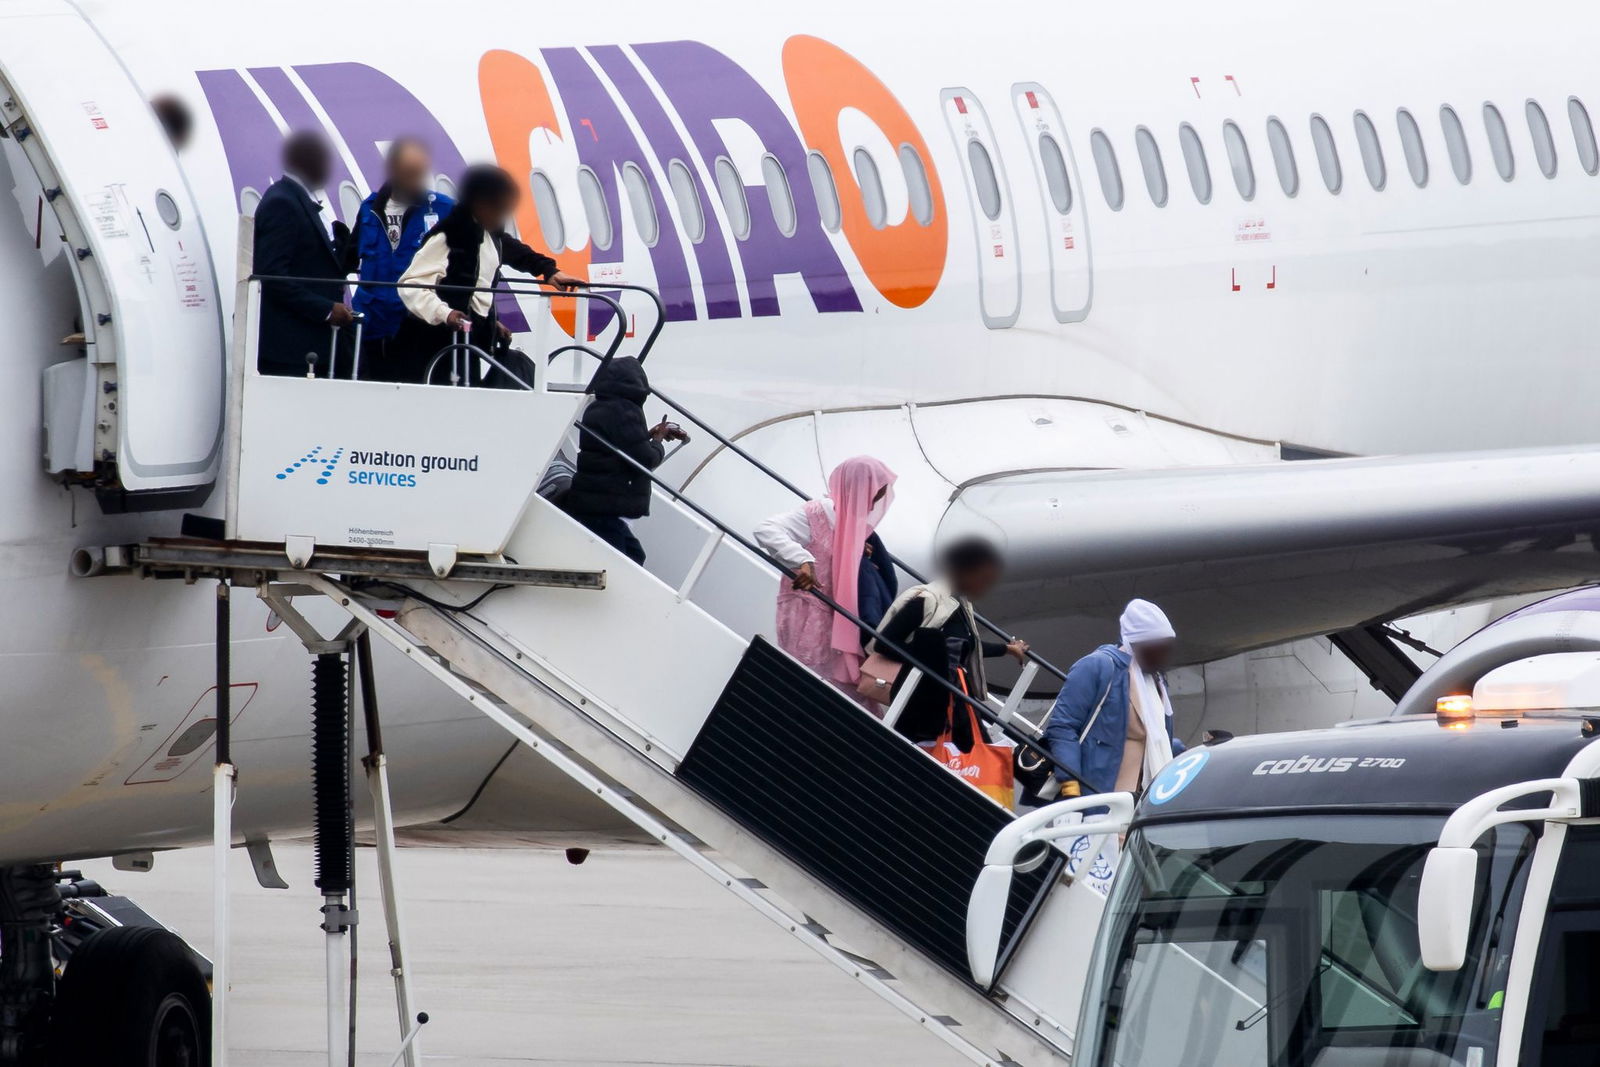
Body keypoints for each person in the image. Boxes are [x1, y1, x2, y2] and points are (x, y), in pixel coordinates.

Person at [397, 164, 582, 383]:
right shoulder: (448, 237)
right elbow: (410, 284)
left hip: (466, 340)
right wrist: (444, 313)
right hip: (435, 342)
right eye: (499, 207)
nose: (504, 213)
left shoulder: (489, 233)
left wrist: (549, 272)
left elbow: (513, 252)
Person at [754, 457, 898, 696]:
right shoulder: (816, 513)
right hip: (806, 616)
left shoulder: (850, 525)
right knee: (807, 685)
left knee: (835, 690)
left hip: (835, 620)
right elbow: (765, 530)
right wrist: (803, 560)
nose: (873, 505)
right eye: (872, 495)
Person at [870, 537, 1028, 748]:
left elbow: (963, 647)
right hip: (921, 698)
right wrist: (928, 660)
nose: (985, 585)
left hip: (947, 697)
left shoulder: (960, 605)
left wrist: (1007, 649)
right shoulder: (929, 600)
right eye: (982, 578)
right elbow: (884, 642)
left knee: (971, 749)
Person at [1041, 598, 1187, 799]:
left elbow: (1155, 739)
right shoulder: (1097, 666)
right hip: (1097, 796)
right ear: (1137, 643)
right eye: (1159, 648)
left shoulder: (1155, 680)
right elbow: (1063, 727)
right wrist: (1070, 782)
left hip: (1142, 800)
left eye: (1167, 648)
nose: (1165, 657)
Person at [344, 138, 454, 379]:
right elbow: (347, 260)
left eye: (420, 174)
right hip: (372, 328)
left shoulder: (444, 210)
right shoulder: (369, 209)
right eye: (410, 174)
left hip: (417, 329)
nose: (416, 182)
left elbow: (473, 262)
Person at [562, 357, 687, 563]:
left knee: (634, 556)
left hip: (593, 501)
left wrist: (649, 435)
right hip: (605, 505)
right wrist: (658, 441)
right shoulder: (626, 411)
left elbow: (620, 445)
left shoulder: (599, 407)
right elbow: (645, 459)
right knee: (627, 560)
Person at [252, 131, 354, 376]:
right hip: (290, 350)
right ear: (306, 162)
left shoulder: (300, 199)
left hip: (311, 344)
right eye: (324, 161)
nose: (329, 170)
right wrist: (326, 309)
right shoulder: (282, 203)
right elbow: (272, 275)